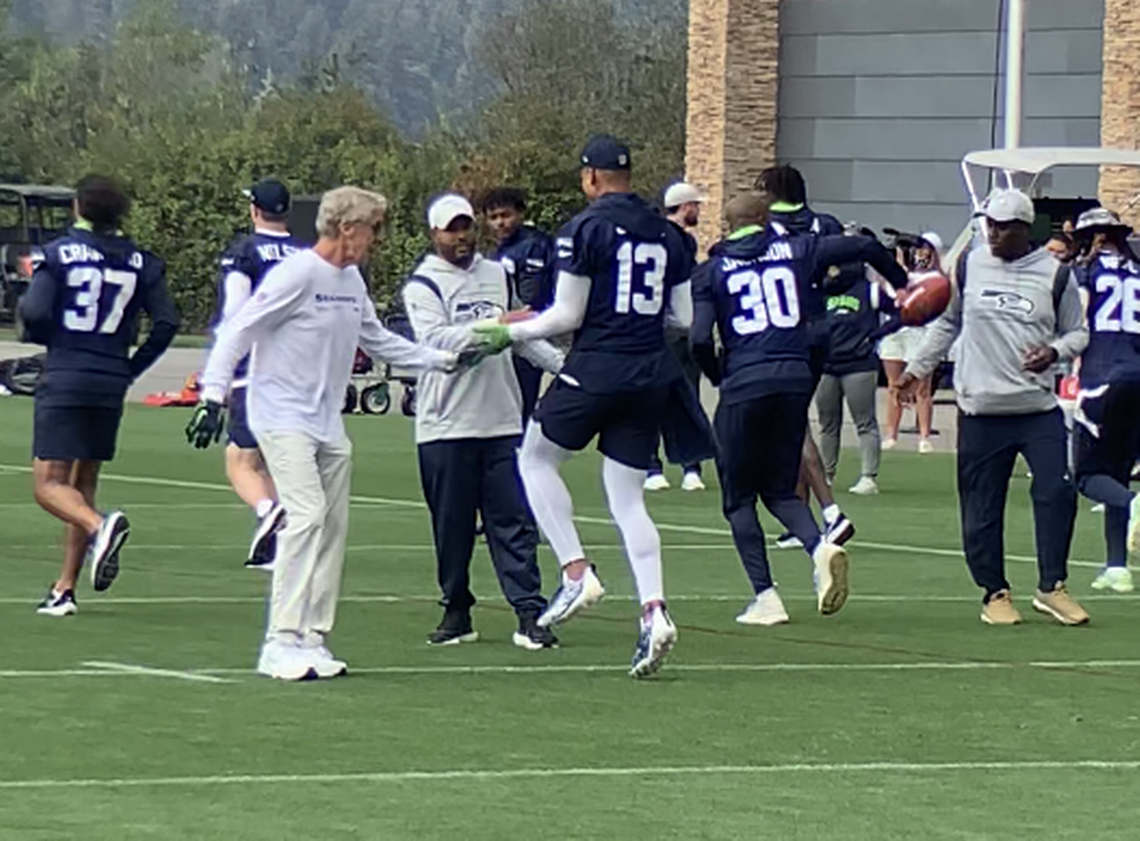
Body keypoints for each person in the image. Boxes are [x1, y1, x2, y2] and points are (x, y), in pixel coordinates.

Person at [188, 186, 465, 681]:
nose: (377, 238)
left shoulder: (351, 280)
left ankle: (313, 637)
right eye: (372, 228)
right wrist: (212, 394)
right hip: (281, 416)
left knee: (332, 527)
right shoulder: (298, 273)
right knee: (307, 515)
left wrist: (442, 361)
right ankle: (279, 641)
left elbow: (376, 339)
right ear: (345, 228)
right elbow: (239, 329)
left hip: (327, 423)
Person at [476, 134, 706, 677]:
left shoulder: (584, 229)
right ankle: (654, 610)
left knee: (534, 458)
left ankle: (576, 570)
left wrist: (508, 333)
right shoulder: (669, 233)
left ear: (591, 177)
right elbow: (682, 319)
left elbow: (565, 316)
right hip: (652, 370)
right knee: (627, 498)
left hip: (599, 363)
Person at [692, 194, 909, 625]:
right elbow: (864, 247)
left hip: (745, 380)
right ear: (765, 220)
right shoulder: (797, 249)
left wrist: (719, 376)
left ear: (729, 225)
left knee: (738, 500)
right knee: (777, 487)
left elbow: (699, 338)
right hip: (793, 378)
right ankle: (819, 547)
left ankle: (766, 596)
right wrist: (904, 285)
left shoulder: (711, 270)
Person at [897, 188, 1090, 626]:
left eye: (1003, 226)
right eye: (990, 224)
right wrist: (916, 369)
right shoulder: (969, 264)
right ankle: (994, 592)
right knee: (982, 504)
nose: (993, 233)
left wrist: (1054, 351)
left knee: (1056, 491)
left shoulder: (1056, 274)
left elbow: (1078, 334)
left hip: (1036, 407)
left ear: (1025, 228)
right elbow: (947, 323)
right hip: (981, 408)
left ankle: (1051, 586)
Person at [405, 193, 564, 649]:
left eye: (466, 227)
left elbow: (522, 334)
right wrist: (499, 325)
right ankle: (456, 610)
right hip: (445, 426)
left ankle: (530, 613)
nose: (462, 237)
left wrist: (565, 369)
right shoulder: (423, 286)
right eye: (451, 229)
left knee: (512, 522)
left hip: (500, 423)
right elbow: (439, 343)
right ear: (435, 234)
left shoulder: (497, 274)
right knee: (451, 527)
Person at [19, 174, 180, 616]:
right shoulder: (140, 260)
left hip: (68, 372)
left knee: (49, 485)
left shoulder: (58, 252)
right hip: (111, 377)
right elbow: (166, 322)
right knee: (83, 482)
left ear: (77, 208)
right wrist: (132, 367)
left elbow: (34, 311)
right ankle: (64, 589)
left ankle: (98, 525)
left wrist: (43, 334)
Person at [755, 165, 854, 548]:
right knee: (794, 422)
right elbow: (850, 270)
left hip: (784, 335)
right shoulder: (824, 224)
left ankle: (830, 512)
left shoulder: (770, 228)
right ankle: (804, 517)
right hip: (819, 328)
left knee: (792, 423)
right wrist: (821, 285)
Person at [211, 179, 302, 571]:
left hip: (256, 367)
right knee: (275, 459)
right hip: (300, 368)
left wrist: (223, 367)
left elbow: (237, 312)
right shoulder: (305, 253)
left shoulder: (244, 252)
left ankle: (269, 511)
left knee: (241, 460)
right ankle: (278, 544)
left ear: (254, 210)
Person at [1069, 208, 1140, 594]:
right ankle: (1117, 566)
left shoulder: (1085, 272)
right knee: (1116, 471)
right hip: (1137, 376)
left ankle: (1134, 504)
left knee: (1087, 475)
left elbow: (1078, 324)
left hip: (1101, 379)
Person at [815, 242, 897, 495]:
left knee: (865, 422)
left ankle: (868, 476)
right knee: (828, 423)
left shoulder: (870, 291)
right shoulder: (822, 291)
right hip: (826, 365)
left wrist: (875, 336)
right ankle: (826, 474)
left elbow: (898, 313)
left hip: (859, 365)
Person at [645, 181, 706, 492]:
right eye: (696, 205)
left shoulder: (662, 237)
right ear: (686, 207)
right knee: (674, 396)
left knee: (675, 395)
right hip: (669, 328)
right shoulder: (673, 240)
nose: (699, 211)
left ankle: (669, 466)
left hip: (666, 327)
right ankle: (675, 466)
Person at [481, 187, 556, 423]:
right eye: (493, 218)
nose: (500, 223)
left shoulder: (534, 244)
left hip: (526, 337)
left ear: (520, 213)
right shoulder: (498, 251)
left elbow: (531, 304)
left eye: (506, 215)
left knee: (518, 413)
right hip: (504, 338)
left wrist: (497, 322)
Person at [880, 232, 942, 454]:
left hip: (921, 332)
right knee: (893, 384)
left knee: (922, 387)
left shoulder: (934, 275)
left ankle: (924, 436)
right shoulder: (897, 272)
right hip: (896, 332)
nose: (919, 251)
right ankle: (891, 435)